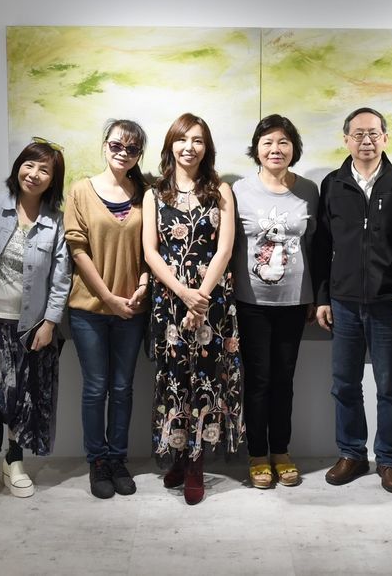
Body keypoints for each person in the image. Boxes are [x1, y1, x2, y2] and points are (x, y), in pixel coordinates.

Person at [312, 106, 392, 493]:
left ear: (385, 138)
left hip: (390, 303)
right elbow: (322, 245)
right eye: (358, 134)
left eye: (373, 133)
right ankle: (352, 454)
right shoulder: (333, 183)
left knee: (389, 387)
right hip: (343, 303)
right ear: (346, 140)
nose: (366, 141)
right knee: (345, 384)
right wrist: (322, 297)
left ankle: (389, 460)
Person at [142, 112, 243, 505]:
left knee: (207, 378)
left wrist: (200, 296)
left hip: (213, 301)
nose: (190, 147)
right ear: (171, 145)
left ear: (207, 147)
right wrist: (183, 293)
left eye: (198, 140)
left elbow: (225, 249)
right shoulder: (154, 193)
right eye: (182, 139)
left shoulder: (220, 190)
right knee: (174, 379)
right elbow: (150, 251)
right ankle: (179, 456)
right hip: (170, 302)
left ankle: (198, 462)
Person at [0, 138, 72, 501]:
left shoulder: (55, 222)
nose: (34, 174)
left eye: (45, 169)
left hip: (31, 328)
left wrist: (50, 323)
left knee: (24, 396)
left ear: (53, 179)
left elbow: (61, 278)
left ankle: (14, 460)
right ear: (18, 167)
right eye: (29, 164)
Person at [64, 120, 150, 499]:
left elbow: (151, 248)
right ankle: (97, 461)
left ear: (139, 155)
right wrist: (109, 298)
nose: (123, 153)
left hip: (132, 309)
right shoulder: (81, 191)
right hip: (89, 309)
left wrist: (143, 285)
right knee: (96, 387)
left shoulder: (145, 193)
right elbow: (78, 250)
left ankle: (117, 458)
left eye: (132, 149)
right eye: (117, 145)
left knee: (122, 387)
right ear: (104, 145)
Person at [232, 114, 319, 488]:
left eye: (283, 141)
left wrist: (316, 297)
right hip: (250, 301)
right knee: (259, 379)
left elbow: (315, 246)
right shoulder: (238, 190)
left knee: (284, 379)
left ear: (293, 148)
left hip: (294, 301)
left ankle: (280, 451)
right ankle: (256, 455)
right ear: (256, 149)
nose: (275, 149)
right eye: (267, 142)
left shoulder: (309, 191)